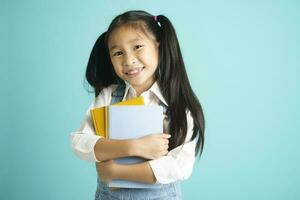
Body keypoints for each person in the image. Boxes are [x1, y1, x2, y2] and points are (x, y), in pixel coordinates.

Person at [70, 10, 205, 200]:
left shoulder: (179, 106)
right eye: (118, 53)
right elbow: (80, 142)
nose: (128, 60)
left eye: (138, 47)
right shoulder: (109, 96)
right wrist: (133, 147)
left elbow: (179, 166)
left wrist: (115, 171)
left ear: (159, 46)